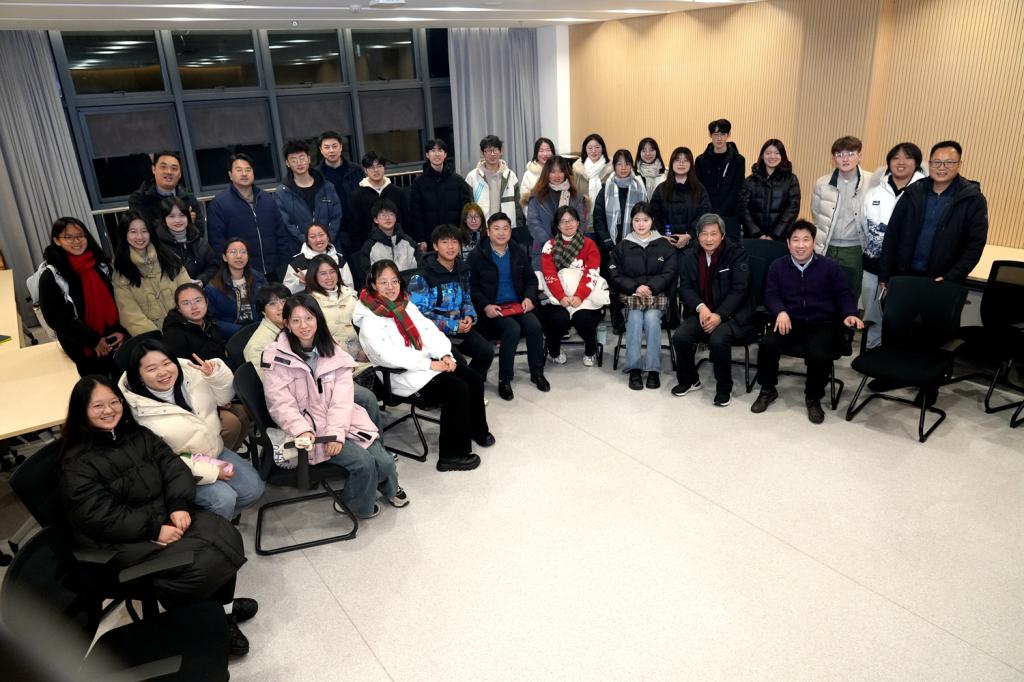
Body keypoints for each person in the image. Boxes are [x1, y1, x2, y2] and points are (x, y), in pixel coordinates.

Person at [58, 376, 254, 656]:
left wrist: (178, 505)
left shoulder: (137, 434)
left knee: (223, 533)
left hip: (160, 517)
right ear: (82, 411)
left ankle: (223, 611)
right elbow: (100, 517)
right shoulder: (78, 461)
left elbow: (174, 467)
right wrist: (154, 530)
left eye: (114, 402)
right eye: (98, 406)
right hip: (119, 542)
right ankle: (206, 622)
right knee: (201, 562)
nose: (109, 410)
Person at [263, 294, 406, 517]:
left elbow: (342, 399)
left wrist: (337, 434)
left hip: (342, 420)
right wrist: (302, 430)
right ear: (287, 324)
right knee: (364, 463)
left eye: (309, 318)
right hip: (310, 431)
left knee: (385, 462)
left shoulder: (333, 351)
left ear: (318, 319)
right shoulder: (275, 356)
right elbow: (280, 404)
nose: (303, 326)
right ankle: (355, 504)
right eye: (296, 320)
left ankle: (379, 487)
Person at [354, 261, 493, 472]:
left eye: (394, 281)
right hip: (402, 375)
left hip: (427, 364)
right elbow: (389, 356)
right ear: (373, 285)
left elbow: (429, 331)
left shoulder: (404, 305)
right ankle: (451, 456)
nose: (390, 287)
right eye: (384, 282)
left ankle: (475, 429)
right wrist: (430, 364)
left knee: (472, 378)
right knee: (457, 389)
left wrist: (444, 354)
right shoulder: (369, 320)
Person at [120, 339, 264, 520]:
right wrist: (211, 472)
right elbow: (158, 460)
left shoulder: (190, 373)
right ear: (139, 375)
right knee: (223, 499)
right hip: (177, 470)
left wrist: (215, 377)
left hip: (212, 450)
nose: (163, 372)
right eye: (151, 369)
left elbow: (224, 398)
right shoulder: (133, 409)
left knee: (254, 490)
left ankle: (217, 522)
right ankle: (208, 530)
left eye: (166, 363)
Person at [750, 220, 864, 424]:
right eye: (795, 240)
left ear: (814, 243)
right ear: (788, 243)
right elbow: (771, 294)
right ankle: (767, 389)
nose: (800, 245)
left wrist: (849, 313)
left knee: (819, 353)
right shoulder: (778, 266)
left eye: (806, 240)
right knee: (767, 344)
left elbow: (843, 294)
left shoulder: (830, 267)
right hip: (790, 321)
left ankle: (813, 397)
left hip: (822, 323)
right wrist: (780, 311)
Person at [244, 285, 388, 435]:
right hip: (300, 398)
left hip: (323, 383)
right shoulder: (258, 345)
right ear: (263, 312)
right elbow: (272, 389)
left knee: (366, 398)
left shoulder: (306, 328)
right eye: (272, 304)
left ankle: (373, 440)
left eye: (283, 301)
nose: (280, 307)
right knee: (359, 401)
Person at [879, 140, 989, 287]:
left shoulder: (972, 199)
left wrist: (952, 276)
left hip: (942, 281)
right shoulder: (913, 192)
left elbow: (975, 246)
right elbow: (892, 234)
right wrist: (885, 274)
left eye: (949, 162)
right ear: (930, 164)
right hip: (904, 276)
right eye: (936, 162)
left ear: (959, 164)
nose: (941, 167)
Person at [671, 214, 754, 406]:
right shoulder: (690, 255)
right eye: (704, 234)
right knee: (681, 337)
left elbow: (740, 290)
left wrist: (719, 315)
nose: (709, 239)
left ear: (722, 235)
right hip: (703, 311)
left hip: (731, 314)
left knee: (718, 340)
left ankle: (724, 387)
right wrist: (701, 308)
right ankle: (690, 380)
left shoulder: (736, 254)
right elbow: (685, 288)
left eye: (714, 234)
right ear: (698, 235)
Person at [467, 212, 549, 401]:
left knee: (534, 326)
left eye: (505, 228)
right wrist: (486, 305)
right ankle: (504, 379)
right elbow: (472, 287)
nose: (501, 233)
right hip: (493, 308)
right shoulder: (477, 255)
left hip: (517, 304)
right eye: (496, 229)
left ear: (510, 232)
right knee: (512, 329)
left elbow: (531, 280)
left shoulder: (517, 251)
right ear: (488, 232)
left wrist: (529, 298)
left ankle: (537, 372)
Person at [37, 217, 127, 377]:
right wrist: (94, 341)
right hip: (82, 345)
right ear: (57, 241)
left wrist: (122, 332)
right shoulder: (52, 275)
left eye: (80, 236)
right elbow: (56, 318)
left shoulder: (102, 265)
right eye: (68, 237)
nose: (76, 241)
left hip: (114, 338)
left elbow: (120, 300)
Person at [409, 224, 495, 380]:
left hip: (461, 327)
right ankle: (467, 385)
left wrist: (469, 316)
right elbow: (420, 316)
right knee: (459, 363)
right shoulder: (421, 277)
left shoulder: (463, 270)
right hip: (435, 333)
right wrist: (453, 325)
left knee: (487, 352)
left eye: (454, 242)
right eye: (445, 242)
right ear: (435, 246)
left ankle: (471, 384)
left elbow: (467, 299)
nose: (450, 246)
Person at [860, 142, 926, 349]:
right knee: (873, 316)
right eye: (895, 157)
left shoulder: (924, 193)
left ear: (917, 163)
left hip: (907, 270)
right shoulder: (874, 193)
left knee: (902, 318)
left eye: (907, 157)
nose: (901, 162)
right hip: (873, 266)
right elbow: (863, 227)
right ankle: (872, 353)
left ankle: (895, 356)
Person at [609, 202, 678, 391]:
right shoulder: (622, 246)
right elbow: (614, 274)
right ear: (631, 222)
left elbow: (670, 272)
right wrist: (635, 287)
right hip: (631, 298)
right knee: (634, 317)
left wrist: (651, 287)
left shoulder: (664, 245)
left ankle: (653, 369)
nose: (641, 224)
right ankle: (634, 369)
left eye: (645, 220)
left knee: (651, 318)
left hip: (657, 298)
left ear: (652, 221)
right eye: (637, 220)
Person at [538, 206, 606, 367]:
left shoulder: (589, 244)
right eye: (563, 221)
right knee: (558, 319)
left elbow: (592, 272)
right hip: (558, 297)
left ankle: (591, 350)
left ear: (578, 223)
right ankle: (554, 351)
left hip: (585, 296)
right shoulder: (549, 246)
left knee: (582, 318)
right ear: (557, 225)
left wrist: (579, 296)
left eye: (571, 220)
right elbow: (549, 274)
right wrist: (561, 296)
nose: (568, 224)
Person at [206, 153, 291, 278]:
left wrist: (284, 266)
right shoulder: (219, 204)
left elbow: (281, 235)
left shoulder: (267, 199)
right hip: (242, 273)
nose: (244, 174)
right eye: (239, 170)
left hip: (274, 271)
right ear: (230, 175)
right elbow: (217, 243)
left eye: (248, 170)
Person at [112, 211, 191, 336]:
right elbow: (131, 317)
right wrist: (158, 339)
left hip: (186, 328)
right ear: (124, 234)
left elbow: (188, 294)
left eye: (144, 231)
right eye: (133, 232)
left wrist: (188, 327)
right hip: (155, 338)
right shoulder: (121, 272)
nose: (140, 237)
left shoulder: (170, 258)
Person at [811, 135, 868, 295]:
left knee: (850, 292)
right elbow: (816, 214)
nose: (845, 159)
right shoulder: (822, 183)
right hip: (826, 247)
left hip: (854, 249)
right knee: (823, 291)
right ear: (833, 159)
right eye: (839, 154)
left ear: (859, 156)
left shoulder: (871, 182)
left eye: (850, 153)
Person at [303, 254, 370, 383]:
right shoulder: (309, 303)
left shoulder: (350, 294)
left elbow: (366, 326)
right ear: (314, 276)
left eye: (332, 272)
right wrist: (352, 355)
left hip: (364, 355)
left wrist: (366, 351)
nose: (329, 277)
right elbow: (316, 340)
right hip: (333, 362)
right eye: (323, 273)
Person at [275, 139, 342, 254]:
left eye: (302, 158)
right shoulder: (282, 192)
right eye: (294, 160)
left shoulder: (327, 187)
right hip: (301, 251)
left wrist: (326, 240)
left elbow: (336, 216)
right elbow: (287, 224)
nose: (299, 163)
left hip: (330, 248)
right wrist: (308, 242)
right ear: (287, 163)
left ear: (309, 159)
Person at [409, 139, 472, 250]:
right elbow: (416, 213)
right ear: (427, 155)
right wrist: (420, 239)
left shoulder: (458, 181)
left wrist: (462, 233)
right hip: (430, 239)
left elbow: (465, 209)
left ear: (445, 154)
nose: (437, 154)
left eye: (440, 150)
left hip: (454, 236)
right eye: (433, 151)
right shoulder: (418, 183)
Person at [526, 155, 587, 269]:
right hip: (544, 249)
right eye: (553, 172)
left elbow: (581, 223)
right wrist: (551, 244)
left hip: (572, 251)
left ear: (565, 173)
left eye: (561, 171)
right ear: (546, 173)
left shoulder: (576, 196)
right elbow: (533, 222)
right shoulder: (537, 196)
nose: (557, 175)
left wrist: (568, 244)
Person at [128, 150, 206, 236]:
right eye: (163, 167)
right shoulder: (139, 199)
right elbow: (145, 233)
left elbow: (200, 233)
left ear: (180, 174)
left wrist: (188, 226)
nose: (169, 172)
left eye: (174, 168)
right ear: (153, 169)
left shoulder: (188, 198)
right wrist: (183, 223)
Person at [345, 152, 409, 255]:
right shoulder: (356, 196)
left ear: (384, 167)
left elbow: (405, 220)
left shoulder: (397, 192)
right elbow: (354, 228)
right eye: (371, 167)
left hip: (398, 246)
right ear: (365, 170)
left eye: (379, 166)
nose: (376, 170)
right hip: (369, 249)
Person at [651, 147, 712, 252]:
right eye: (677, 160)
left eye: (685, 160)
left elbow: (704, 214)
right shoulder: (661, 189)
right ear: (671, 163)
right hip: (666, 244)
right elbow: (654, 215)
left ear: (691, 164)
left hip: (693, 244)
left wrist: (689, 235)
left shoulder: (699, 189)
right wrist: (663, 235)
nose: (681, 164)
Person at [739, 139, 801, 241]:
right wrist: (757, 233)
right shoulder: (750, 180)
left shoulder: (791, 180)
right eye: (768, 153)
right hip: (753, 238)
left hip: (780, 238)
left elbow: (792, 209)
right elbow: (743, 209)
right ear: (762, 156)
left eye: (777, 153)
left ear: (782, 156)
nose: (772, 156)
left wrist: (774, 235)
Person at [695, 119, 746, 242]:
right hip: (706, 214)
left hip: (730, 215)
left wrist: (721, 212)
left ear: (728, 135)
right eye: (716, 134)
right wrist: (709, 211)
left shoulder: (738, 160)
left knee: (731, 248)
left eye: (723, 134)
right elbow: (699, 188)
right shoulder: (701, 160)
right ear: (710, 135)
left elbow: (737, 189)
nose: (719, 138)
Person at [464, 135, 523, 242]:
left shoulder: (510, 176)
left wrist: (518, 229)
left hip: (506, 230)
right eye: (488, 150)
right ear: (482, 153)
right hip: (483, 230)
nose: (492, 154)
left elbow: (518, 207)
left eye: (495, 149)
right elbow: (468, 208)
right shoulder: (473, 177)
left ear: (501, 152)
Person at [205, 239, 268, 337]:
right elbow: (212, 320)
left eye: (243, 252)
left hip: (260, 331)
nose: (239, 256)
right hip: (232, 336)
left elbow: (268, 306)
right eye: (233, 252)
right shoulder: (213, 287)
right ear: (225, 257)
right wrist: (240, 331)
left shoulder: (259, 280)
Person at [317, 130, 365, 253]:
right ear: (321, 150)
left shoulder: (356, 170)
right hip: (331, 232)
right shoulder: (316, 175)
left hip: (358, 228)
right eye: (327, 147)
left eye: (334, 146)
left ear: (341, 147)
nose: (331, 150)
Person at [355, 198, 422, 286]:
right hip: (383, 291)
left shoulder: (408, 242)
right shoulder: (369, 247)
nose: (388, 218)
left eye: (391, 214)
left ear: (395, 217)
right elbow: (367, 275)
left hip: (410, 287)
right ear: (375, 220)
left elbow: (420, 266)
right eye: (383, 215)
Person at [594, 149, 647, 253]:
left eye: (627, 164)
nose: (623, 168)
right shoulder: (606, 190)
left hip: (636, 244)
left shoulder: (640, 188)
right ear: (614, 166)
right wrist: (607, 242)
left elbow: (647, 216)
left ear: (631, 166)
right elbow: (598, 218)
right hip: (610, 245)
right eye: (619, 164)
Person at [157, 196, 218, 284]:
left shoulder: (199, 242)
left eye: (182, 215)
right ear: (164, 219)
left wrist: (201, 280)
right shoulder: (158, 247)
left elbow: (213, 266)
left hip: (200, 289)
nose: (177, 220)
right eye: (171, 216)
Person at [282, 221, 354, 294]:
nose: (318, 240)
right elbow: (286, 292)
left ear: (328, 237)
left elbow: (349, 288)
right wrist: (301, 283)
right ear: (307, 241)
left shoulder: (339, 260)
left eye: (321, 235)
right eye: (313, 237)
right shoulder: (297, 263)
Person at [162, 282, 228, 361]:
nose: (194, 307)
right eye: (186, 303)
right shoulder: (173, 336)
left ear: (206, 302)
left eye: (198, 300)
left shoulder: (208, 320)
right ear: (178, 309)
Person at [571, 133, 611, 229]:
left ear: (602, 148)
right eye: (590, 148)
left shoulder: (610, 169)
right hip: (583, 219)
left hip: (606, 219)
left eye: (597, 147)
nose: (593, 151)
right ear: (585, 149)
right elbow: (573, 195)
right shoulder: (578, 169)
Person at [519, 137, 556, 217]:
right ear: (536, 153)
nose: (545, 154)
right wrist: (533, 219)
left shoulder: (560, 171)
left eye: (548, 150)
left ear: (553, 152)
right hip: (536, 218)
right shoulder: (529, 174)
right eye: (541, 151)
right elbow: (525, 203)